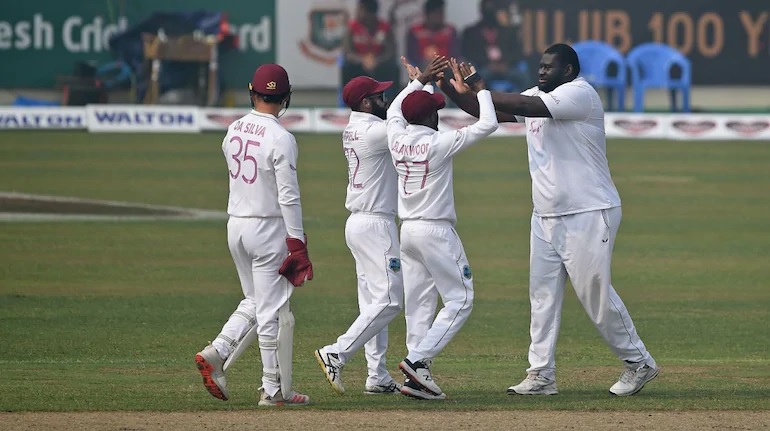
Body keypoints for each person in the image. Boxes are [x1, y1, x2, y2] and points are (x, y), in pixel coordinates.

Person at [439, 44, 659, 396]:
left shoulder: (578, 94)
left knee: (595, 297)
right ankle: (541, 375)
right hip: (544, 215)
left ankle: (639, 363)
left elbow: (526, 107)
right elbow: (488, 111)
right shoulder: (537, 94)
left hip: (588, 210)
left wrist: (481, 85)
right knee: (541, 297)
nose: (541, 72)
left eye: (549, 67)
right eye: (540, 66)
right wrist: (449, 87)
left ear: (568, 70)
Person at [195, 63, 314, 407]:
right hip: (267, 227)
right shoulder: (282, 137)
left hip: (236, 225)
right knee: (272, 311)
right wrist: (297, 243)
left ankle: (217, 352)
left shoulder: (232, 129)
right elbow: (288, 195)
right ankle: (273, 390)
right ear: (286, 97)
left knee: (255, 300)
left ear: (252, 92)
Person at [386, 55, 498, 400]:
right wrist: (480, 90)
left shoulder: (396, 136)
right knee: (461, 298)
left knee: (419, 305)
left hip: (407, 232)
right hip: (435, 231)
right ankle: (417, 362)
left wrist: (418, 82)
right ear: (432, 116)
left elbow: (393, 111)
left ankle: (415, 379)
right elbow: (488, 124)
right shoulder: (438, 143)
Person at [313, 75, 404, 396]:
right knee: (391, 300)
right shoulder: (373, 131)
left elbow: (394, 115)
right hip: (376, 226)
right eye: (380, 96)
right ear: (366, 102)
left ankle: (377, 376)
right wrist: (418, 85)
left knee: (373, 304)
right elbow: (401, 120)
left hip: (360, 223)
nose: (386, 100)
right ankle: (336, 353)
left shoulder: (354, 126)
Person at [461, 0, 527, 91]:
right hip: (483, 67)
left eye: (492, 9)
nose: (489, 11)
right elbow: (468, 54)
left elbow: (517, 52)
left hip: (506, 67)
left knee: (524, 77)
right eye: (487, 9)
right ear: (481, 10)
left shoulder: (508, 31)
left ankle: (520, 103)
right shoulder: (470, 32)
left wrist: (505, 64)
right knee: (473, 78)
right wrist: (489, 64)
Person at [341, 0, 399, 100]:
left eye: (360, 9)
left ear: (370, 13)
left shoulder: (384, 28)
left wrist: (376, 60)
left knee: (394, 69)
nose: (357, 12)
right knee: (346, 68)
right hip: (358, 65)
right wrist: (362, 60)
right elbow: (347, 52)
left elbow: (391, 52)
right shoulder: (352, 27)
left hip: (379, 64)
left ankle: (393, 102)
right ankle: (348, 101)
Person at [406, 0, 460, 71]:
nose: (440, 16)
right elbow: (412, 54)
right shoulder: (415, 31)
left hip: (446, 68)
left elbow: (455, 53)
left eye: (441, 13)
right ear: (427, 14)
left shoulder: (450, 31)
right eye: (436, 13)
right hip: (423, 67)